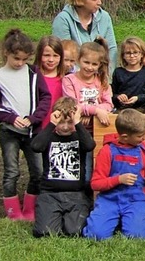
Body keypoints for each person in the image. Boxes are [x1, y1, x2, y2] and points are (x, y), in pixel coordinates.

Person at [82, 109, 145, 240]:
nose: (144, 138)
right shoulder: (107, 151)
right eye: (140, 136)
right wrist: (118, 179)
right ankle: (113, 220)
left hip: (136, 200)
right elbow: (95, 184)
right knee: (95, 235)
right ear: (125, 136)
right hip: (110, 200)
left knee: (138, 237)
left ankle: (128, 221)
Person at [0, 29, 51, 221]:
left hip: (31, 131)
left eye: (24, 59)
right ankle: (13, 212)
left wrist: (34, 118)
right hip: (9, 132)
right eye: (16, 59)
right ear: (6, 53)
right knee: (12, 171)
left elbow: (46, 97)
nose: (20, 63)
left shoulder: (33, 73)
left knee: (37, 171)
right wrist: (11, 118)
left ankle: (30, 210)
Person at [30, 97, 96, 237]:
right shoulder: (49, 136)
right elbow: (36, 147)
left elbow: (90, 146)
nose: (65, 127)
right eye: (61, 122)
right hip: (50, 194)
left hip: (76, 195)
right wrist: (51, 124)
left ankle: (68, 218)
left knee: (74, 231)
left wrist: (77, 122)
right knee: (44, 232)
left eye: (69, 122)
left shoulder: (79, 137)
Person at [52, 0, 118, 76]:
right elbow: (65, 54)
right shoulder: (63, 19)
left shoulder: (105, 17)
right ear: (81, 0)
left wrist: (107, 75)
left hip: (101, 75)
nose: (100, 2)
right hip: (74, 77)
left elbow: (112, 49)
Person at [62, 38, 113, 131]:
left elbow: (109, 104)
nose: (89, 67)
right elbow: (72, 106)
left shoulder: (102, 80)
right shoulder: (68, 80)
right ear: (78, 59)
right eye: (86, 62)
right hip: (75, 128)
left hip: (98, 127)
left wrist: (92, 114)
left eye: (94, 64)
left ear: (99, 65)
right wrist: (95, 111)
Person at [112, 37, 145, 110]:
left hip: (143, 109)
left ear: (142, 54)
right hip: (123, 109)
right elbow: (112, 94)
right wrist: (118, 97)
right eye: (128, 53)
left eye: (135, 52)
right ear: (123, 55)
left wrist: (138, 98)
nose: (132, 56)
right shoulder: (118, 72)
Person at [34, 35, 66, 128]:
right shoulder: (34, 77)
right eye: (46, 55)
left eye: (55, 56)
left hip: (59, 128)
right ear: (40, 55)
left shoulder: (66, 79)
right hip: (37, 128)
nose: (51, 60)